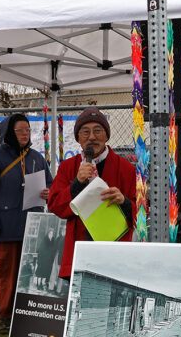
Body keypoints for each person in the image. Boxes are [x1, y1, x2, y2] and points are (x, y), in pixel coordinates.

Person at [0, 113, 52, 325]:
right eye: (20, 130)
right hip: (5, 228)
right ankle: (7, 316)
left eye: (27, 130)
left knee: (29, 273)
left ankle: (26, 315)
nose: (24, 134)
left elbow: (51, 183)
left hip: (33, 226)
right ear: (9, 132)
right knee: (7, 275)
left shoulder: (37, 158)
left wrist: (50, 191)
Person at [47, 107, 136, 278]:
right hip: (79, 247)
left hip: (114, 250)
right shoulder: (68, 167)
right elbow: (55, 205)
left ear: (107, 136)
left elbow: (141, 213)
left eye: (98, 131)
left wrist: (123, 201)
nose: (92, 137)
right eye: (85, 132)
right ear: (78, 138)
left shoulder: (127, 169)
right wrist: (76, 183)